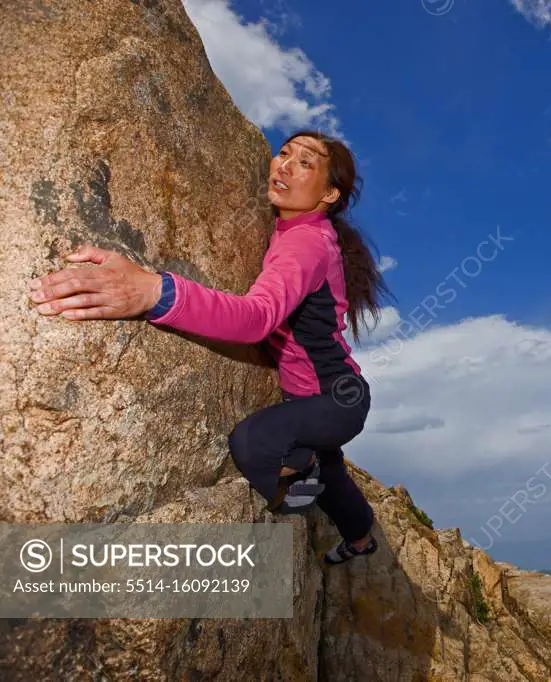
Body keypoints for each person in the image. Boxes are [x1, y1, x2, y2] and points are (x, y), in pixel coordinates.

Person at [26, 131, 392, 565]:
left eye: (305, 163)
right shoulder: (304, 231)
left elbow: (256, 318)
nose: (285, 165)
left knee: (253, 443)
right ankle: (359, 539)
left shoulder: (306, 244)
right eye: (284, 153)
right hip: (330, 397)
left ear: (330, 193)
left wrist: (154, 293)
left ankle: (302, 471)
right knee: (334, 477)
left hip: (335, 400)